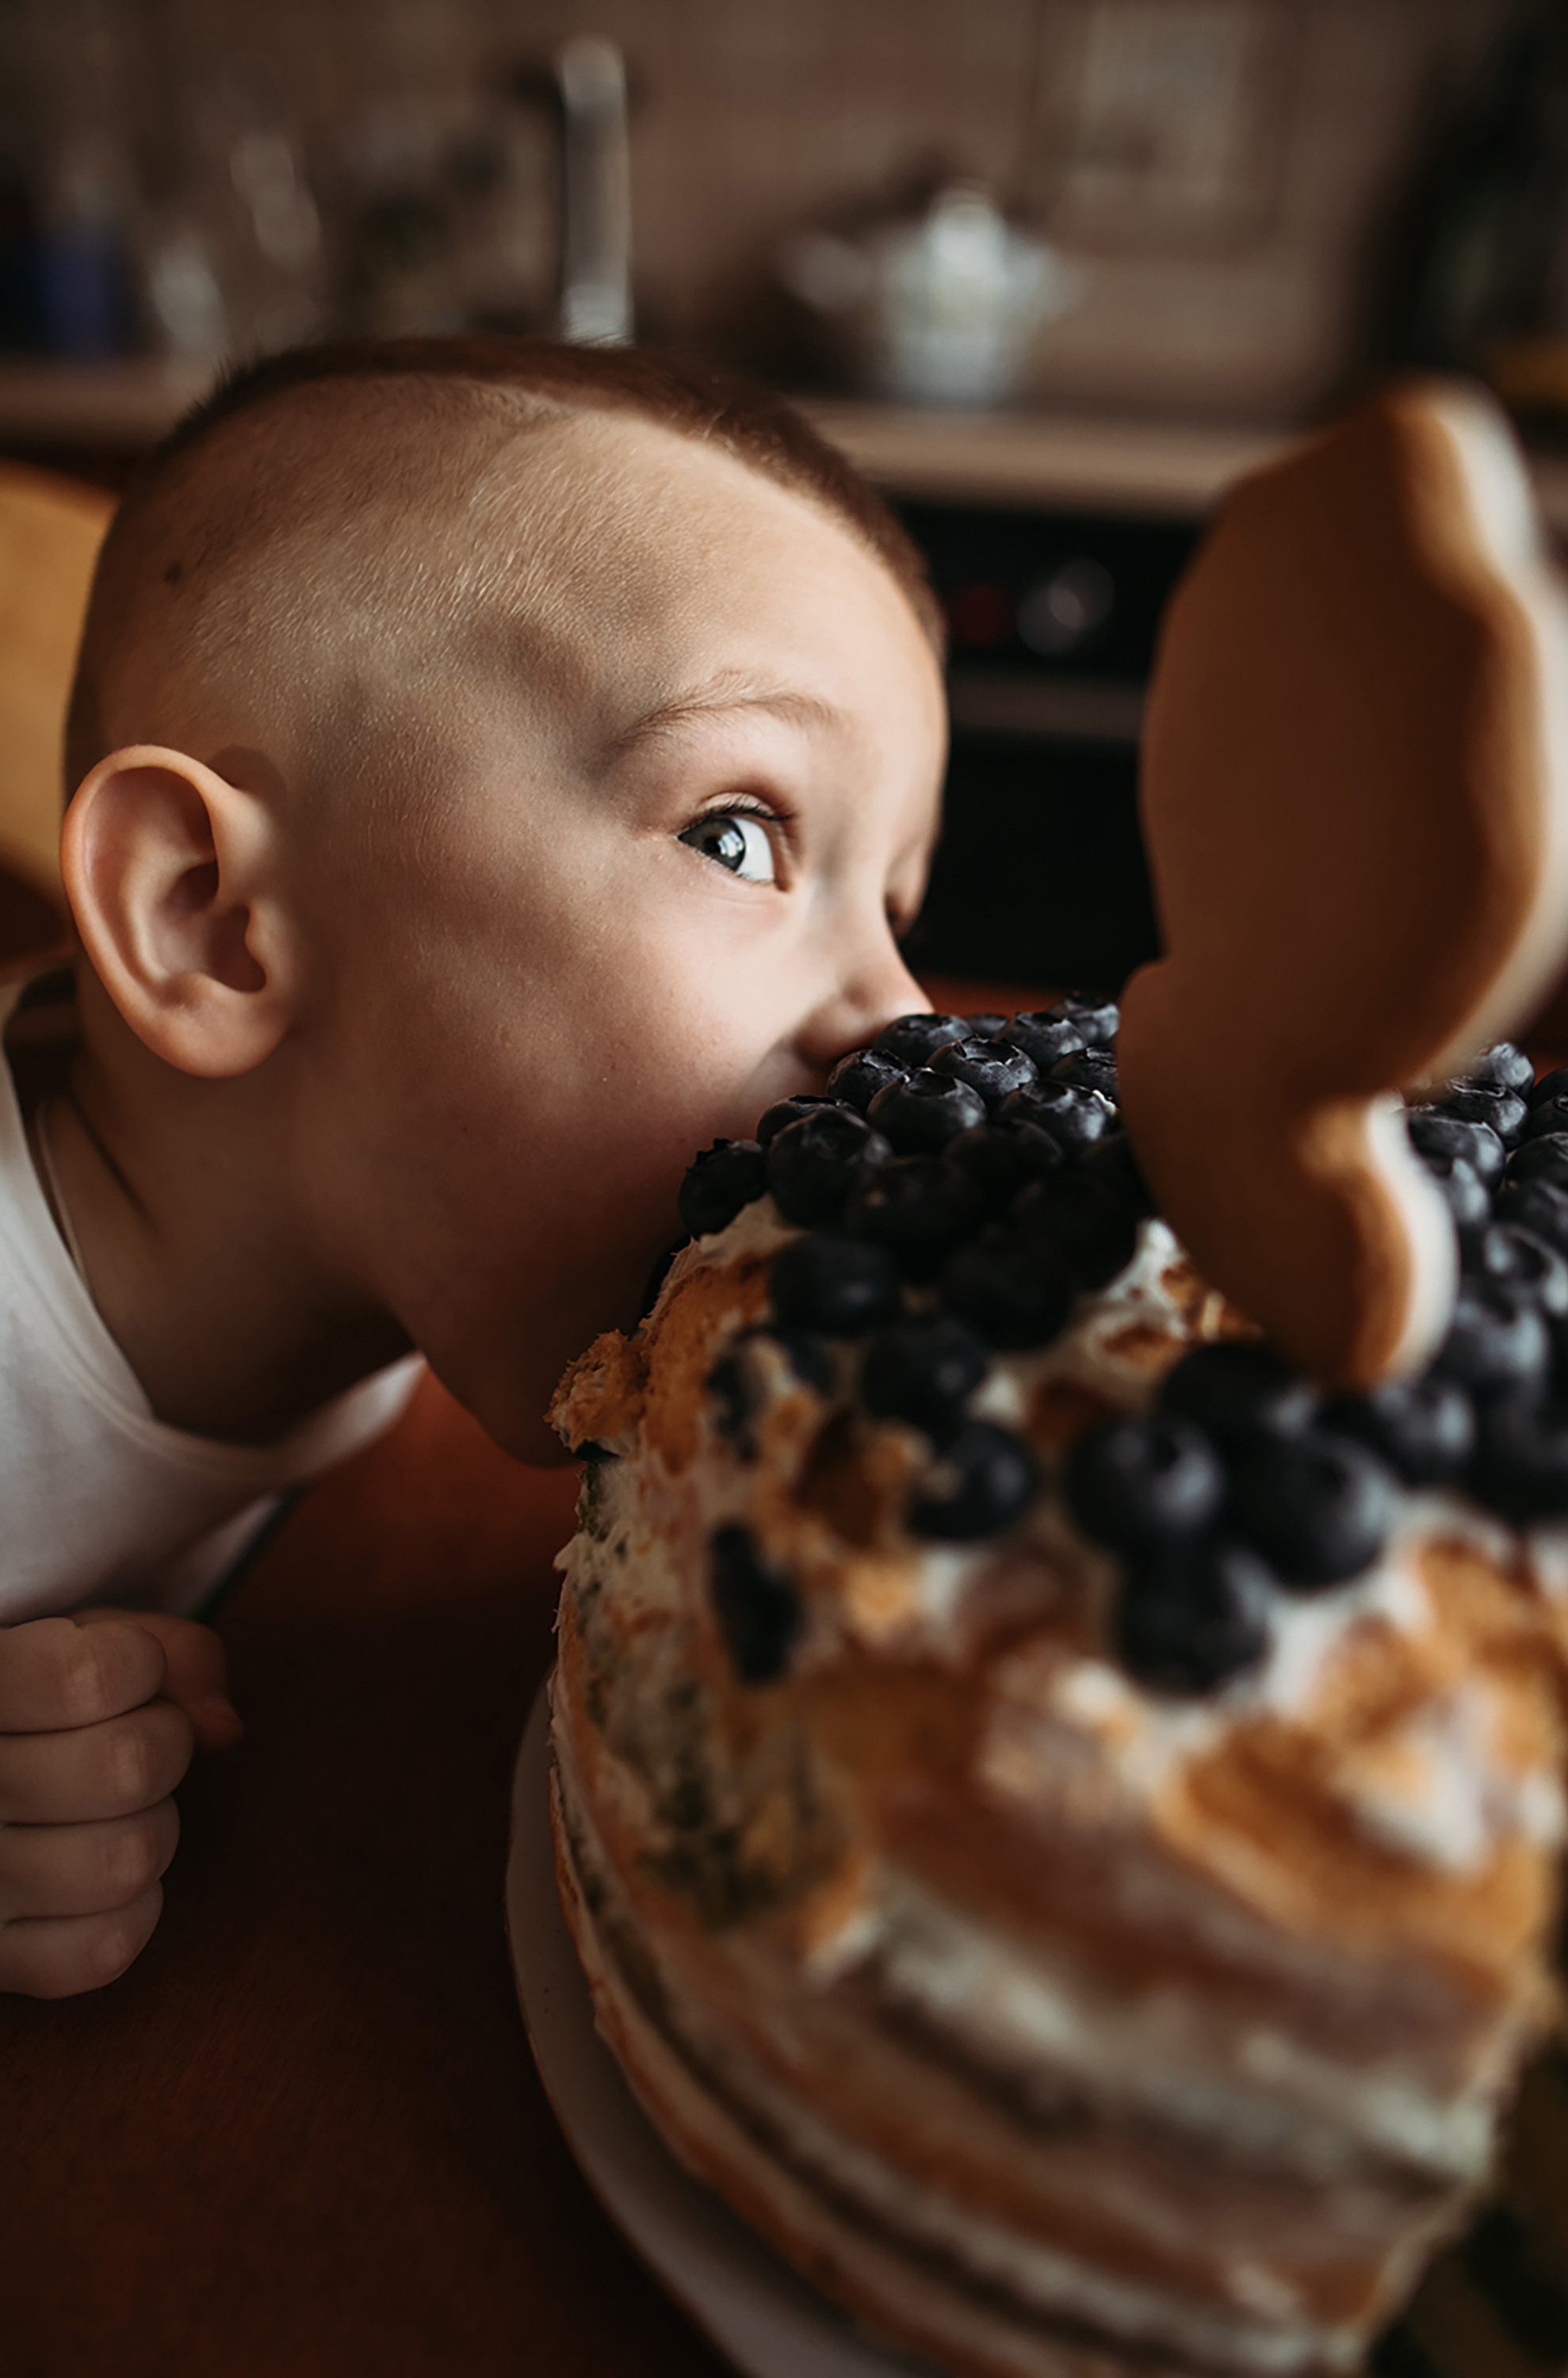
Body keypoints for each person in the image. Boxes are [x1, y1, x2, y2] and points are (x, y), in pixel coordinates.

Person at [0, 338, 946, 1998]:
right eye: (741, 832)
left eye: (897, 911)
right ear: (210, 924)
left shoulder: (401, 1223)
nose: (910, 1026)